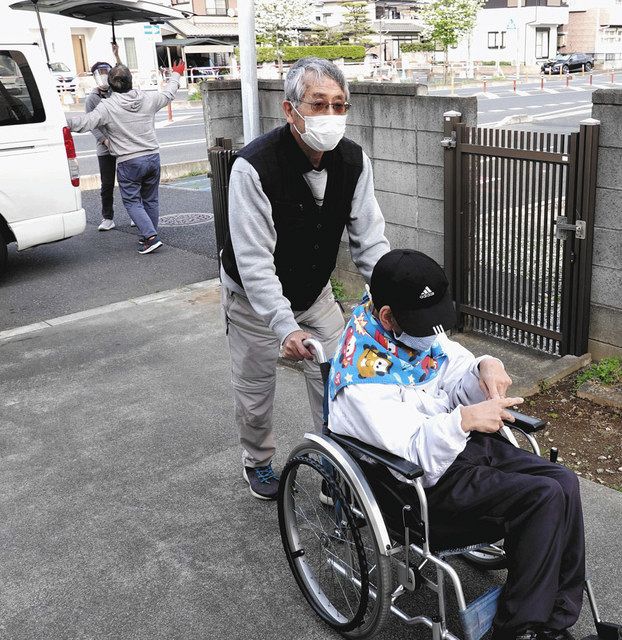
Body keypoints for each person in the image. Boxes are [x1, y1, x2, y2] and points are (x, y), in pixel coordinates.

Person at [328, 249, 585, 640]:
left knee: (564, 481)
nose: (433, 331)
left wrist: (483, 368)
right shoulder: (362, 378)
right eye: (424, 323)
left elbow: (453, 364)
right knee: (543, 496)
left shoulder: (412, 326)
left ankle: (555, 614)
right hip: (417, 484)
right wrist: (463, 420)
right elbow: (413, 450)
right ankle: (517, 629)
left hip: (459, 445)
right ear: (386, 316)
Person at [221, 57, 390, 500]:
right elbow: (255, 262)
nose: (330, 116)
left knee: (338, 379)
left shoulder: (353, 161)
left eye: (339, 105)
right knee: (256, 391)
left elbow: (369, 240)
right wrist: (283, 326)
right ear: (290, 109)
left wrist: (393, 295)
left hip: (314, 295)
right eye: (318, 104)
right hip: (253, 301)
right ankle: (257, 462)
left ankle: (336, 465)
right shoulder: (253, 166)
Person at [66, 60, 186, 254]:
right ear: (131, 81)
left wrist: (60, 123)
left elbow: (85, 123)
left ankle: (150, 236)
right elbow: (169, 93)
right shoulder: (147, 98)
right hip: (152, 156)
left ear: (111, 84)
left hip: (129, 161)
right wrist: (176, 73)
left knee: (132, 201)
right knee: (151, 199)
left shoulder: (107, 106)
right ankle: (149, 234)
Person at [86, 43, 126, 232]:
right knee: (107, 184)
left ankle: (136, 214)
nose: (102, 76)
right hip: (104, 147)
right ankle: (107, 217)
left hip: (123, 143)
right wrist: (104, 140)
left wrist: (117, 56)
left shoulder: (116, 92)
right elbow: (91, 124)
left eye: (105, 72)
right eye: (98, 73)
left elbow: (123, 75)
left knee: (129, 181)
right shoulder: (91, 98)